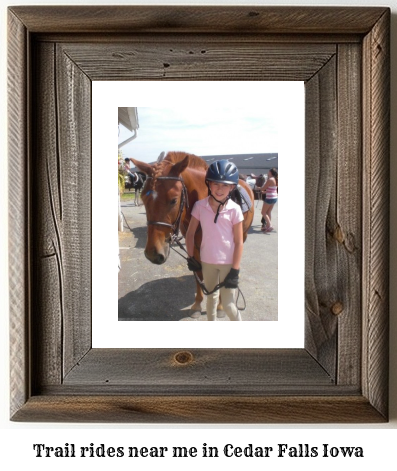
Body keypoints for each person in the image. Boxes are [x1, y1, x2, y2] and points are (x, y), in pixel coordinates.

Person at [185, 160, 244, 321]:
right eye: (216, 184)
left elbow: (239, 242)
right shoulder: (199, 206)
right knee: (210, 299)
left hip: (228, 264)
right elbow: (190, 234)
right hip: (207, 261)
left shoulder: (235, 209)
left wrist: (235, 270)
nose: (220, 189)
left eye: (225, 185)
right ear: (209, 184)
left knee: (229, 304)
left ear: (232, 187)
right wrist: (191, 257)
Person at [260, 168, 278, 232]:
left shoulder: (270, 179)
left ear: (270, 172)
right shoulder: (275, 179)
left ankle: (270, 225)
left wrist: (259, 188)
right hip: (274, 197)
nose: (268, 172)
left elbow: (263, 188)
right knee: (268, 212)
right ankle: (268, 226)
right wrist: (265, 192)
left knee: (263, 212)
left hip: (269, 198)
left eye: (269, 171)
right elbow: (272, 189)